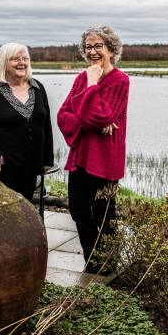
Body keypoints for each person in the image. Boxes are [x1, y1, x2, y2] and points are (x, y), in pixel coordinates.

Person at [57, 25, 129, 273]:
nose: (93, 51)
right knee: (78, 211)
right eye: (88, 46)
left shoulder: (120, 81)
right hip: (80, 157)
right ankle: (93, 260)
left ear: (111, 49)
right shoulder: (81, 78)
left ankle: (108, 264)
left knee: (104, 214)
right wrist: (89, 122)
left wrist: (92, 85)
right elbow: (63, 116)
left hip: (106, 161)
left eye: (98, 46)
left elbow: (99, 116)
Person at [0, 43, 54, 201]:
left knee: (25, 211)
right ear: (3, 62)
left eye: (25, 58)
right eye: (15, 59)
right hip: (3, 169)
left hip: (31, 168)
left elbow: (46, 125)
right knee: (4, 212)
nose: (22, 62)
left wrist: (47, 159)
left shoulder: (37, 88)